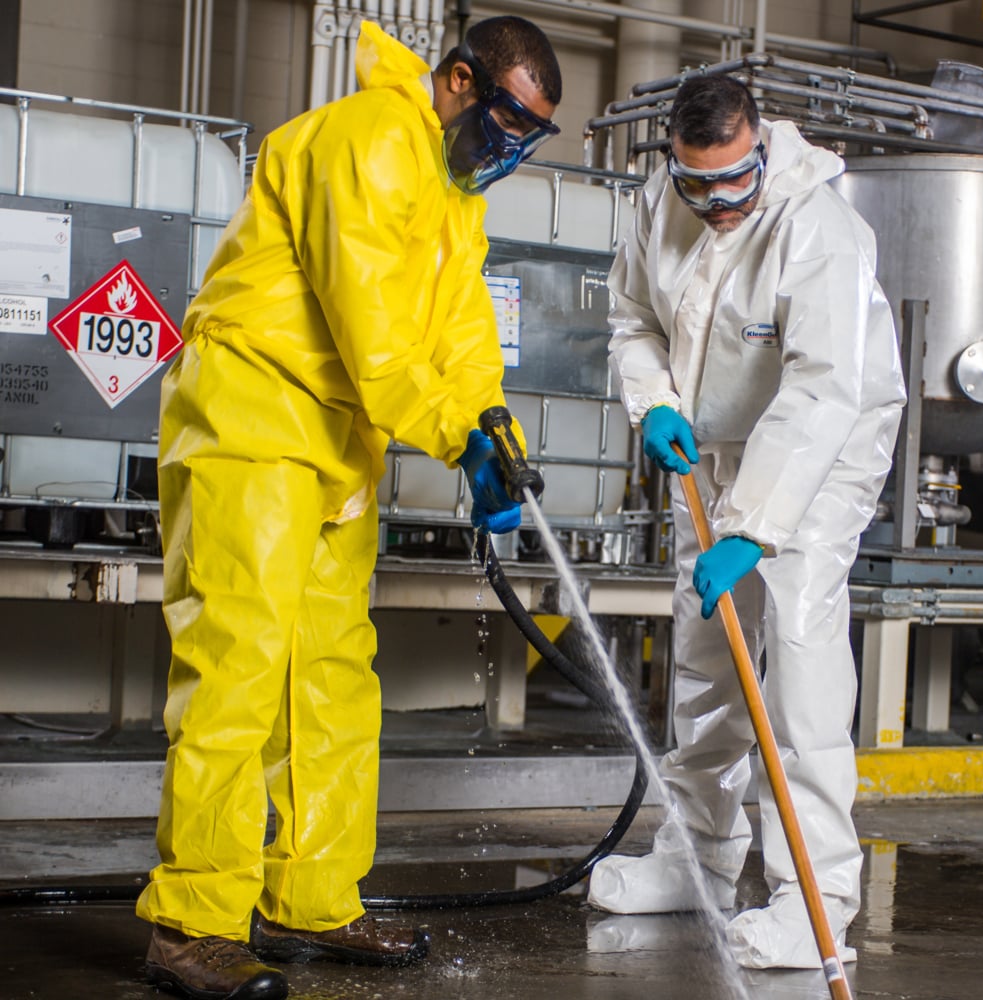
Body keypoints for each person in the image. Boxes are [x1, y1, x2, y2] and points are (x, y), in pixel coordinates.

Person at [137, 16, 561, 1000]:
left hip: (337, 448)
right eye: (505, 122)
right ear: (458, 81)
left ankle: (310, 897)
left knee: (329, 676)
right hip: (252, 419)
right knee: (237, 667)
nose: (509, 149)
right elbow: (370, 330)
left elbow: (460, 335)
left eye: (529, 137)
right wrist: (453, 436)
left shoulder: (454, 195)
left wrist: (493, 428)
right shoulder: (369, 138)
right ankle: (191, 921)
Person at [587, 74, 905, 970]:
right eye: (699, 186)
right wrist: (651, 401)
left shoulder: (820, 227)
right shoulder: (662, 204)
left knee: (796, 667)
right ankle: (702, 855)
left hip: (825, 449)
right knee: (705, 652)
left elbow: (820, 389)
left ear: (759, 145)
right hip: (716, 447)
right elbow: (633, 319)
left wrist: (755, 529)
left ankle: (817, 903)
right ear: (674, 165)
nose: (720, 204)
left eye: (736, 182)